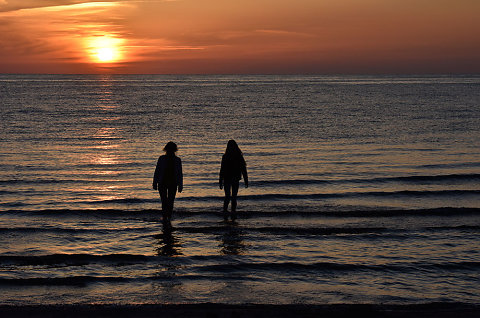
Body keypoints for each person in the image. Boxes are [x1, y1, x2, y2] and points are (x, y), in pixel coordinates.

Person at [153, 141, 183, 225]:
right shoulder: (162, 158)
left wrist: (180, 185)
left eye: (171, 149)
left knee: (170, 201)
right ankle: (165, 217)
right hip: (162, 182)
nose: (170, 151)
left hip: (172, 183)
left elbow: (180, 173)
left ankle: (168, 217)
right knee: (165, 201)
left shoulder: (177, 160)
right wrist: (155, 182)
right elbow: (157, 171)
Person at [219, 140, 248, 221]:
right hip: (232, 178)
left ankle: (227, 212)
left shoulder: (227, 156)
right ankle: (231, 212)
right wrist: (246, 180)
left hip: (229, 178)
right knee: (232, 196)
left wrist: (220, 180)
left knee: (228, 196)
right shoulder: (237, 156)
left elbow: (222, 170)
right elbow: (243, 169)